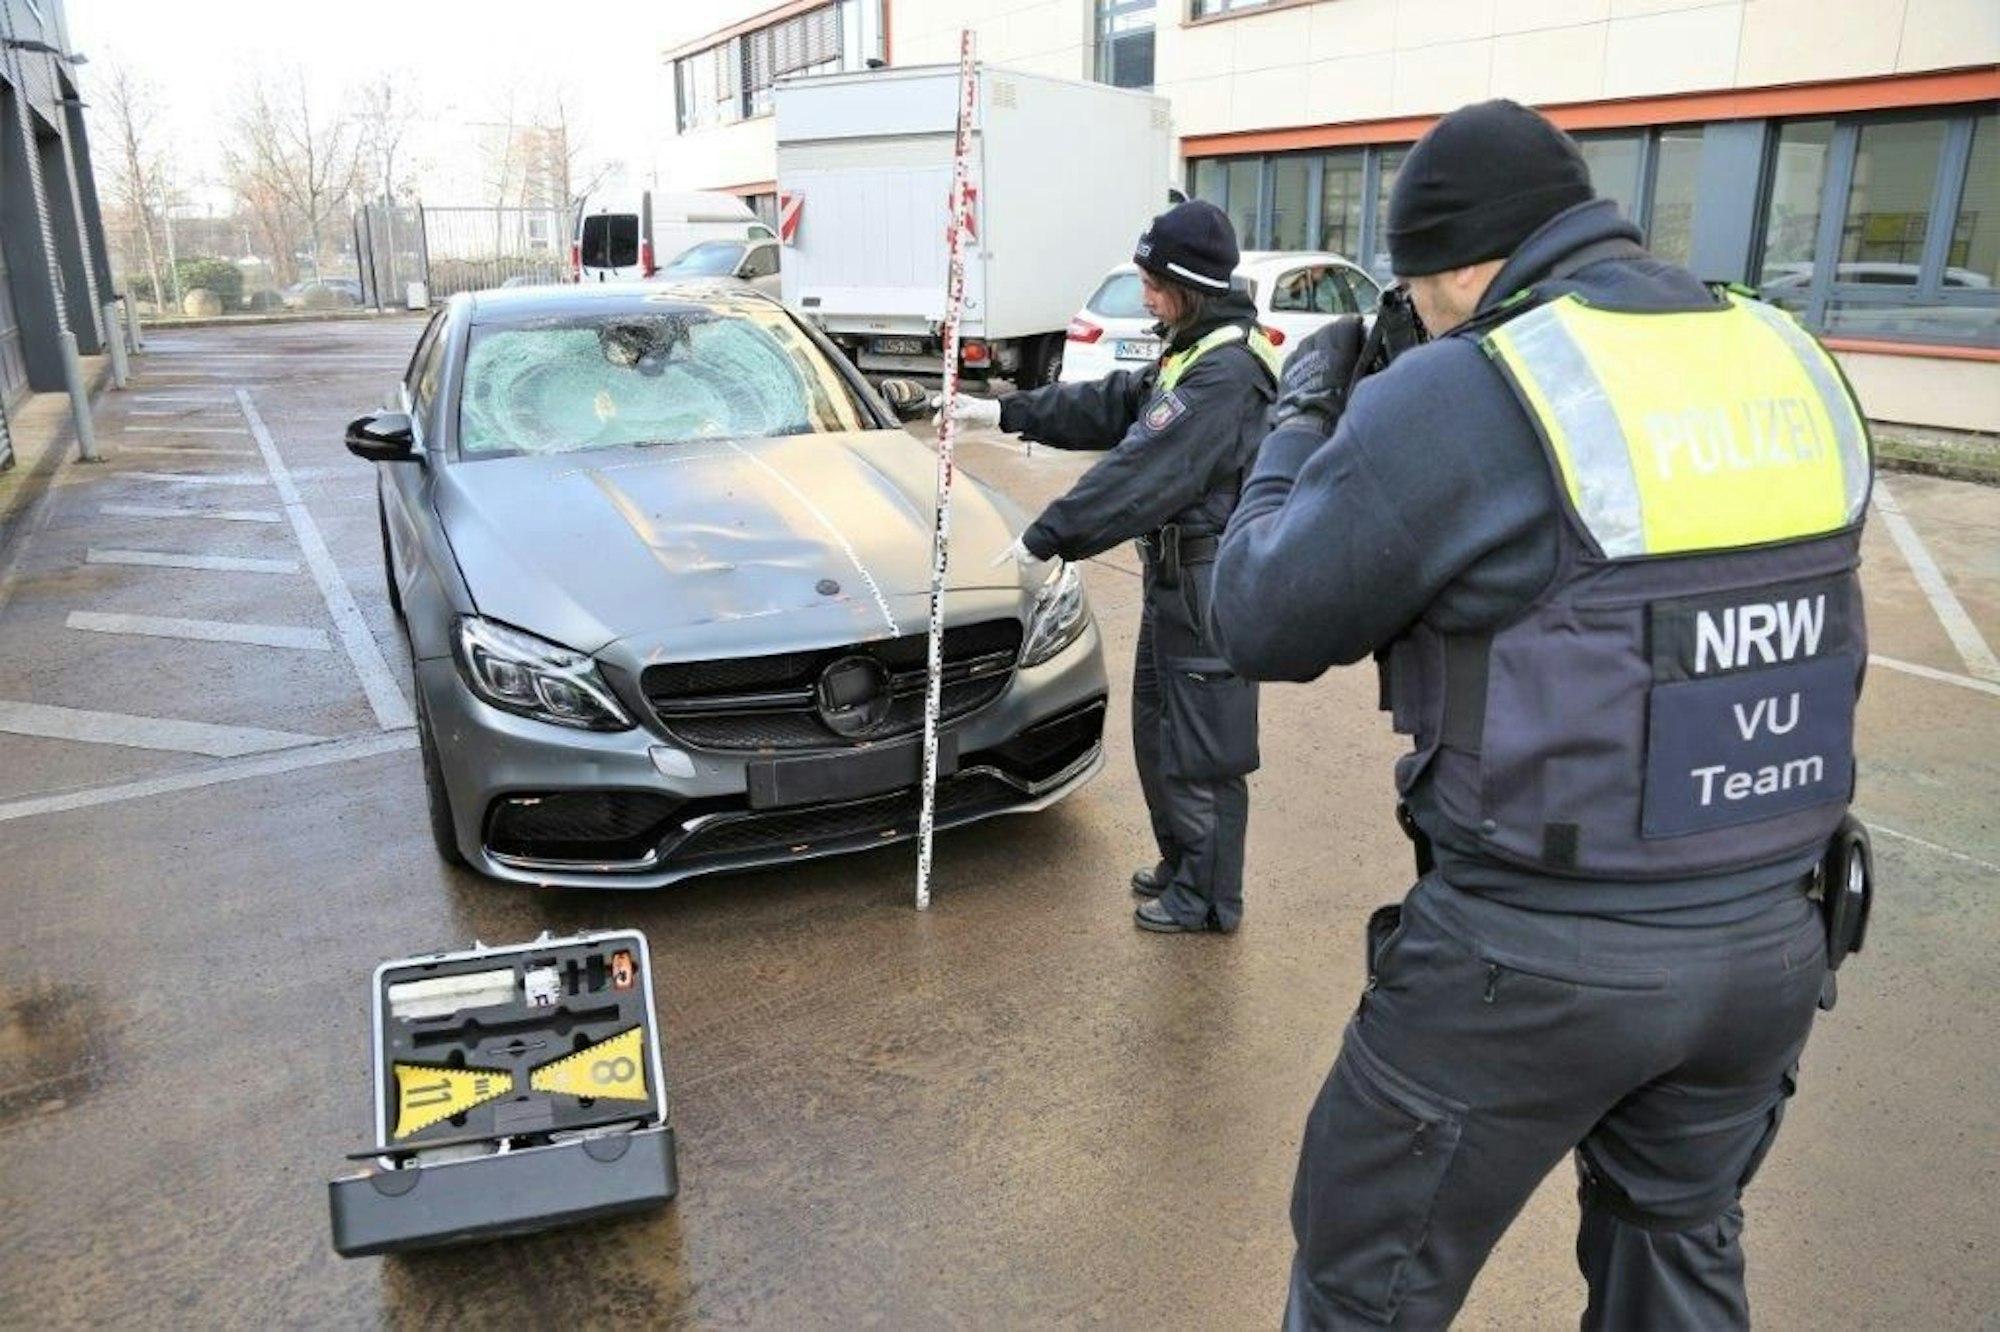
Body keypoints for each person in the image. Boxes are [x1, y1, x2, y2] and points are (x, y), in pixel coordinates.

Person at [1209, 100, 1873, 1327]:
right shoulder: (1788, 355)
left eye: (1418, 292)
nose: (1419, 318)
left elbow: (1259, 615)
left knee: (1363, 1288)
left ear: (1463, 263)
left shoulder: (1474, 387)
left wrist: (1303, 416)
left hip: (1533, 963)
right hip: (1770, 942)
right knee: (1673, 1259)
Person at [939, 199, 1280, 933]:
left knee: (1203, 747)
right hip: (1175, 582)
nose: (1147, 296)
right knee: (1160, 733)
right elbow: (1117, 404)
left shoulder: (1228, 374)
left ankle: (1210, 897)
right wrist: (1005, 412)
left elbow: (1142, 470)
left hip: (1210, 589)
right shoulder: (1189, 348)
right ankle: (1183, 863)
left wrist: (1048, 536)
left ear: (1190, 284)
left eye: (1154, 283)